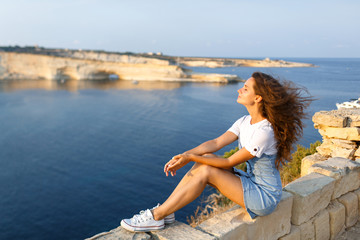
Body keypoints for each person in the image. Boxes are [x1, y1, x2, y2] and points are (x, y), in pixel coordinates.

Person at [121, 72, 313, 232]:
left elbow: (230, 163)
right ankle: (167, 211)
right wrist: (184, 154)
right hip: (251, 182)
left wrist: (188, 158)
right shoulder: (245, 121)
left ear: (258, 98)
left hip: (265, 196)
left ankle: (157, 216)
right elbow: (215, 143)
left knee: (206, 170)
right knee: (206, 159)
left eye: (245, 88)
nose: (239, 89)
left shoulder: (265, 132)